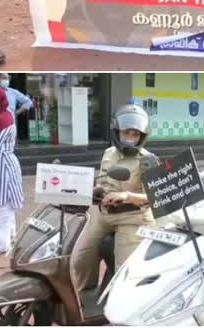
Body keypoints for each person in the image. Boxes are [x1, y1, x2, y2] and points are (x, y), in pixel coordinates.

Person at [72, 104, 156, 293]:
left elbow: (153, 196)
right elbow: (105, 182)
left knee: (125, 269)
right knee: (82, 256)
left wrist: (126, 195)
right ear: (117, 132)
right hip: (105, 215)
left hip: (133, 218)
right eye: (127, 133)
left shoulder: (148, 160)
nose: (130, 138)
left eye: (135, 135)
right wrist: (98, 191)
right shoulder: (108, 153)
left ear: (142, 136)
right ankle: (84, 295)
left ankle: (122, 310)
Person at [0, 85, 25, 255]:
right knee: (6, 208)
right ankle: (9, 238)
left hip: (1, 166)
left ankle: (0, 245)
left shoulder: (1, 121)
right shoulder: (3, 116)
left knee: (0, 207)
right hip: (2, 164)